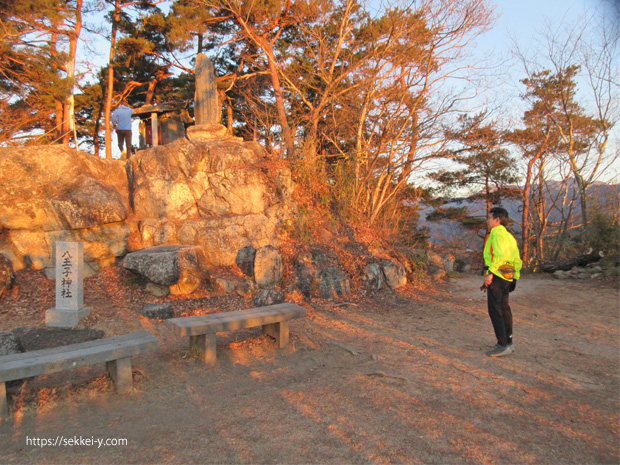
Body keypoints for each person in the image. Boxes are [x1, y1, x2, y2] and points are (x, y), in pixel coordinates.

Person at [482, 207, 523, 357]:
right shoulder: (508, 236)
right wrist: (515, 276)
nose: (487, 221)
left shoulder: (497, 234)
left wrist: (490, 273)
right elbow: (516, 258)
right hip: (508, 274)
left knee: (495, 309)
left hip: (498, 275)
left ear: (497, 219)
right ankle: (508, 342)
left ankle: (502, 344)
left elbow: (499, 256)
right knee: (504, 308)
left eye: (489, 218)